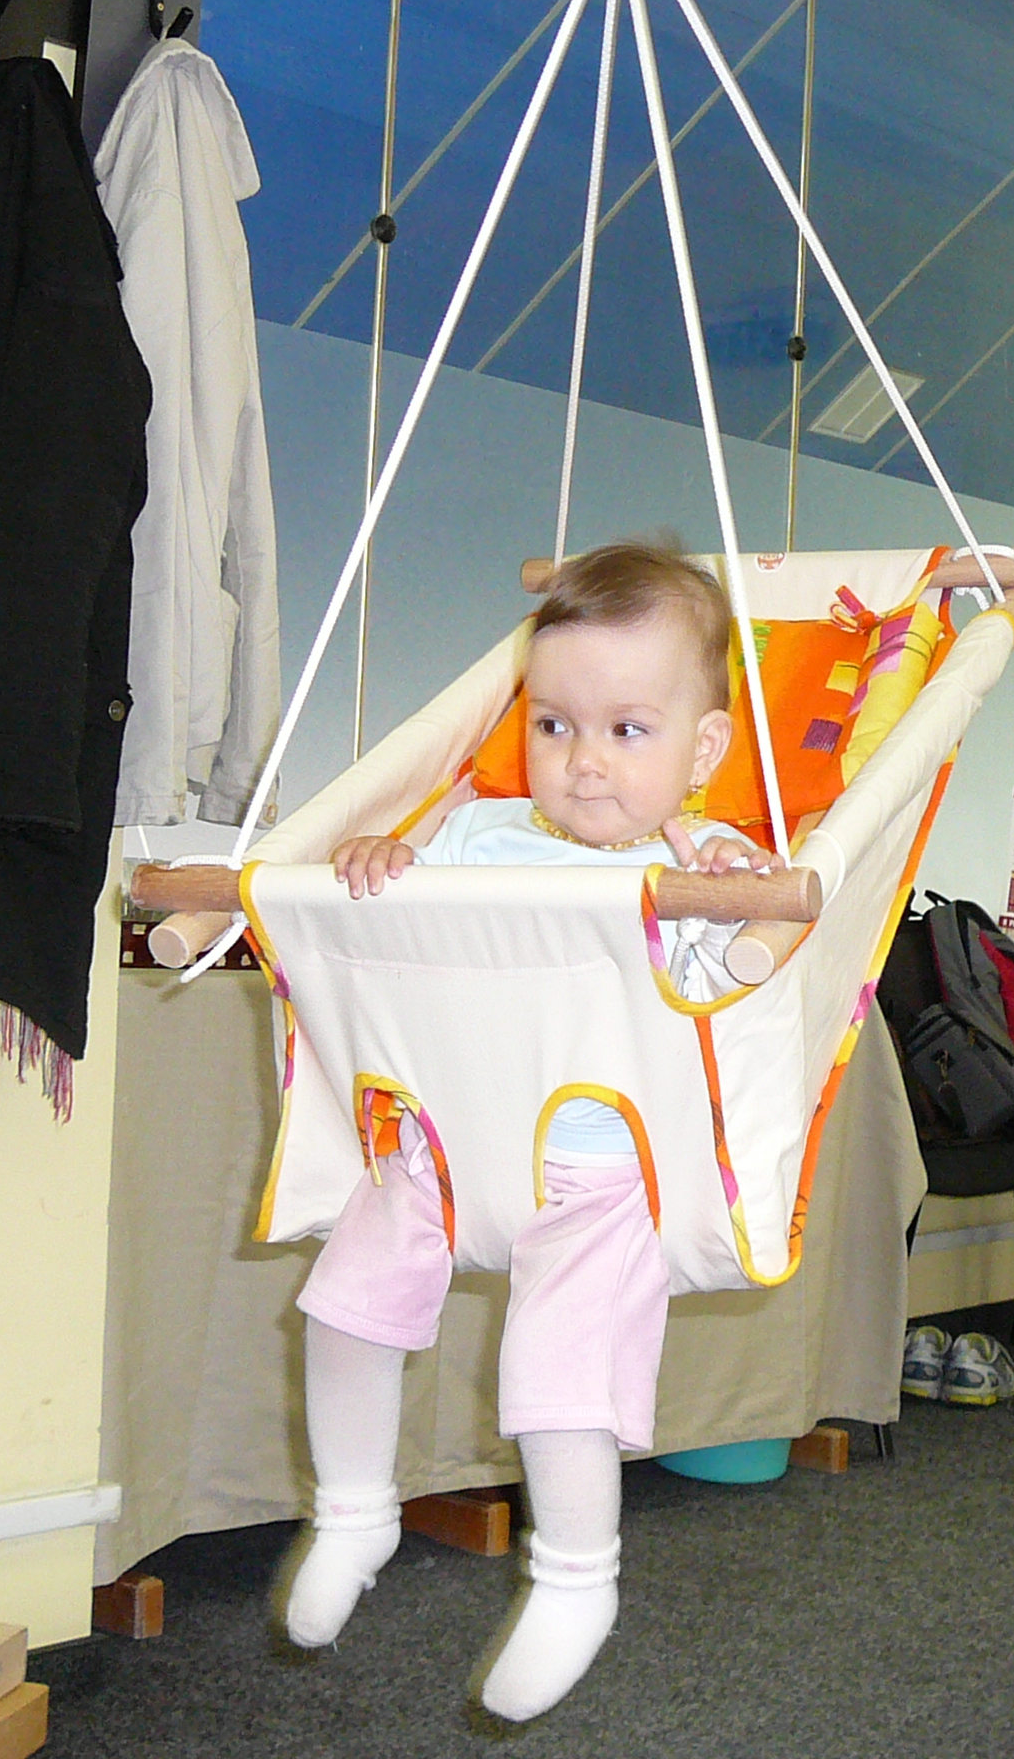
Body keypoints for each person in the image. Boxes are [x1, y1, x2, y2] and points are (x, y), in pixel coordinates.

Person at [285, 540, 776, 1721]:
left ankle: (574, 1576)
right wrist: (382, 857)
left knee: (555, 1376)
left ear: (701, 749)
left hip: (605, 1175)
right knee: (345, 1297)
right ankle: (352, 1511)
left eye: (627, 730)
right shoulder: (476, 840)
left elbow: (764, 963)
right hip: (448, 1153)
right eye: (555, 726)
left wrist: (749, 901)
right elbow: (392, 926)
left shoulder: (703, 867)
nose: (584, 763)